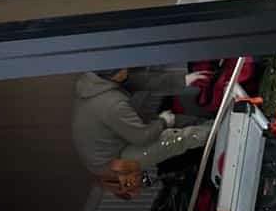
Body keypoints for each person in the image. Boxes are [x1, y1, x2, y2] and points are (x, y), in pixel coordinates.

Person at [71, 66, 212, 196]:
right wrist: (163, 122)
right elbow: (142, 137)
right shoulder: (112, 104)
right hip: (113, 161)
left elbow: (143, 80)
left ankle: (209, 125)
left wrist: (185, 79)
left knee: (171, 121)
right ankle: (216, 134)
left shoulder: (95, 81)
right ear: (116, 75)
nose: (128, 69)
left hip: (113, 139)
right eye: (124, 68)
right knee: (171, 140)